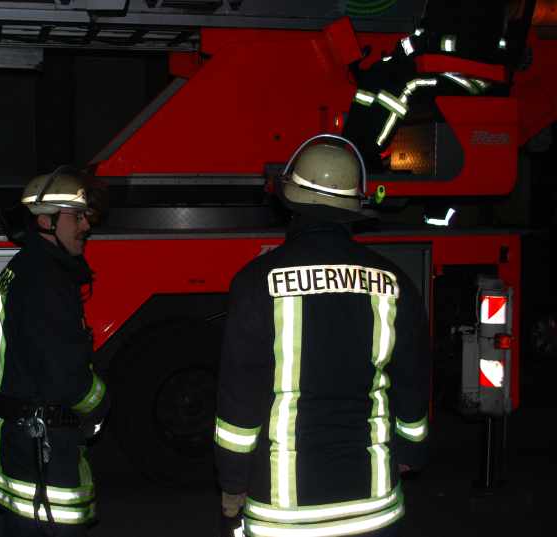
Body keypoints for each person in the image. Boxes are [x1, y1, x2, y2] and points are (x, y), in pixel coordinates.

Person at [214, 135, 430, 537]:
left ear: (290, 202)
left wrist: (232, 481)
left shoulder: (255, 282)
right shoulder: (395, 282)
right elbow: (412, 385)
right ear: (353, 206)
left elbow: (239, 403)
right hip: (374, 509)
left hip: (285, 516)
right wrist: (412, 451)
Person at [0, 166, 110, 537]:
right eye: (77, 217)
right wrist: (101, 403)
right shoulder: (46, 281)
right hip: (40, 442)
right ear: (45, 221)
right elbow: (65, 377)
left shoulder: (29, 268)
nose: (86, 225)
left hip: (20, 435)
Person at [343, 0, 534, 172]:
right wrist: (403, 54)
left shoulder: (484, 6)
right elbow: (422, 33)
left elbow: (475, 47)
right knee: (377, 72)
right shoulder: (439, 4)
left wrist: (426, 45)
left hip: (470, 77)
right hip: (438, 67)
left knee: (407, 85)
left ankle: (369, 153)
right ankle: (348, 146)